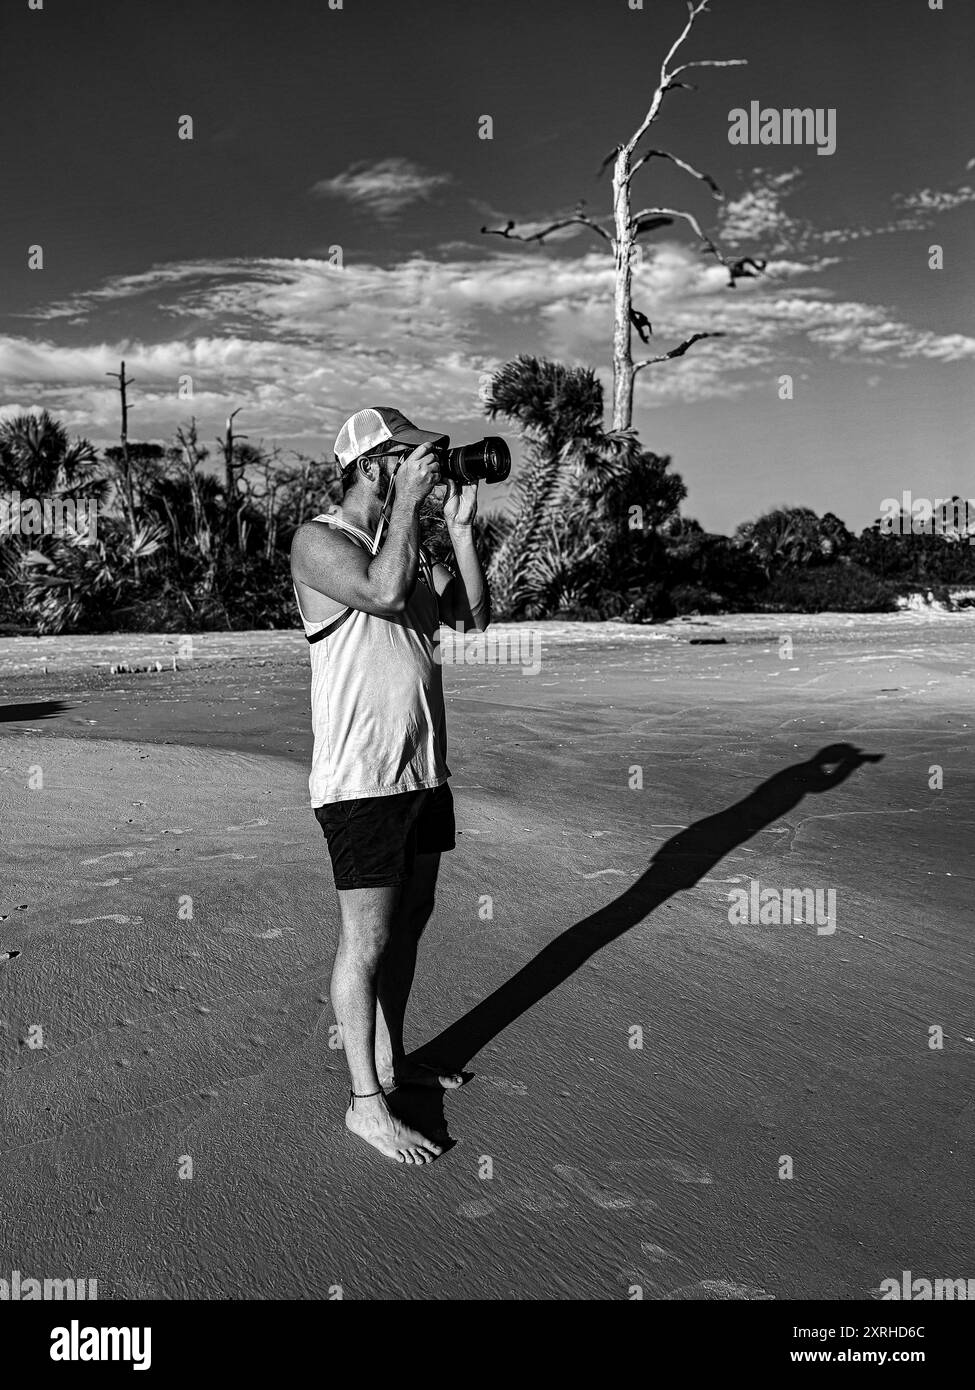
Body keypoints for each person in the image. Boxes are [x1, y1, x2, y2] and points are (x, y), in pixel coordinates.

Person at [290, 406, 490, 1164]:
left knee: (411, 920)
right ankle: (362, 1105)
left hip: (421, 770)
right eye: (412, 459)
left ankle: (391, 1062)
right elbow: (377, 592)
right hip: (360, 779)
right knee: (366, 937)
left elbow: (470, 621)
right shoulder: (318, 542)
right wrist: (410, 507)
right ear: (375, 466)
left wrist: (463, 534)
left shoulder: (410, 545)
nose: (430, 468)